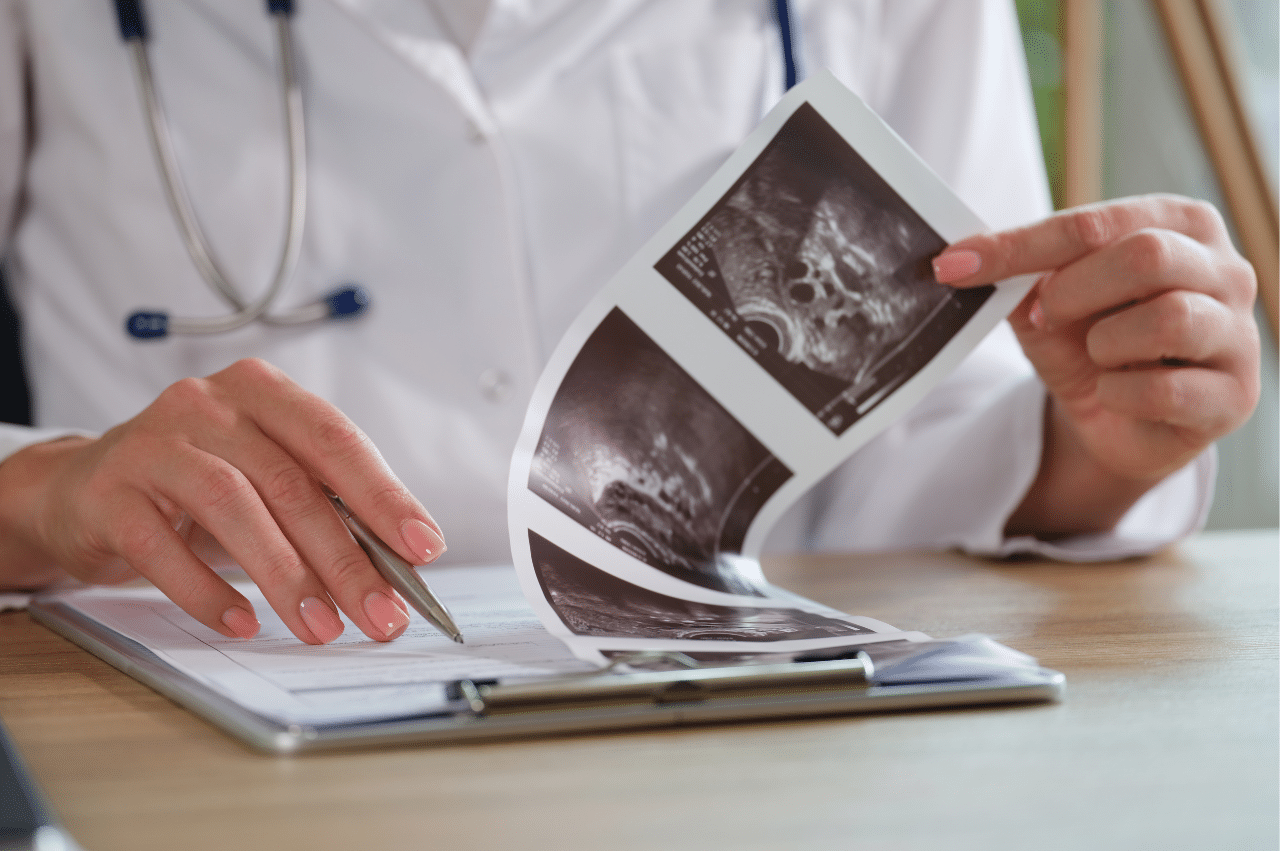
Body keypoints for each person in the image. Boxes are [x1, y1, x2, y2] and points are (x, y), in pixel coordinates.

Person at [0, 1, 1260, 645]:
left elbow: (945, 418)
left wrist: (1093, 439)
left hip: (745, 767)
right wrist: (44, 492)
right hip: (213, 746)